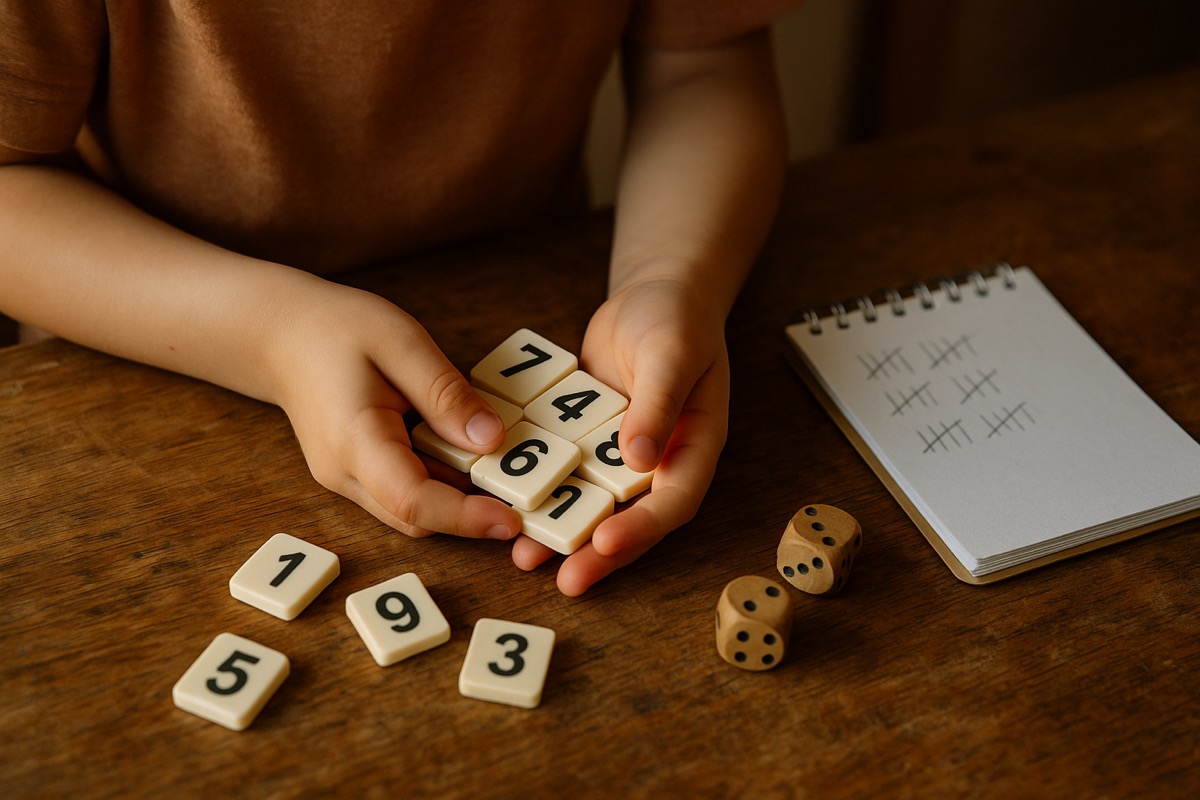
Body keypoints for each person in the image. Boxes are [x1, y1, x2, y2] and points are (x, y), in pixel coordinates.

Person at [0, 1, 797, 595]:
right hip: (134, 369)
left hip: (541, 289)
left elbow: (705, 63)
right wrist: (267, 333)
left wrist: (669, 275)